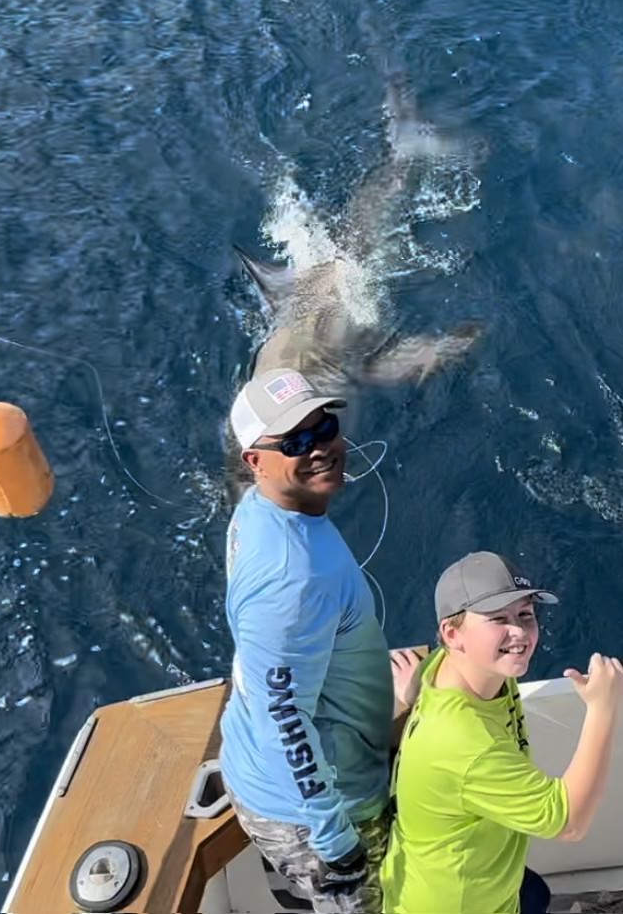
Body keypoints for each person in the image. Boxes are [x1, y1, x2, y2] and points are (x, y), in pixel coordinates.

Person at [217, 368, 393, 913]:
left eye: (324, 427)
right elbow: (283, 718)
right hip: (320, 810)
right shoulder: (295, 579)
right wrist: (336, 842)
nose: (319, 447)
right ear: (255, 461)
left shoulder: (259, 513)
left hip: (272, 772)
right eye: (294, 441)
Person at [382, 552, 623, 914]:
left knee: (536, 894)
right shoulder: (465, 741)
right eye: (498, 618)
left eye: (525, 614)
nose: (519, 633)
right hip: (455, 904)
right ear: (452, 634)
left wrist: (412, 697)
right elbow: (568, 822)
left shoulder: (458, 671)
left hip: (463, 873)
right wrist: (603, 708)